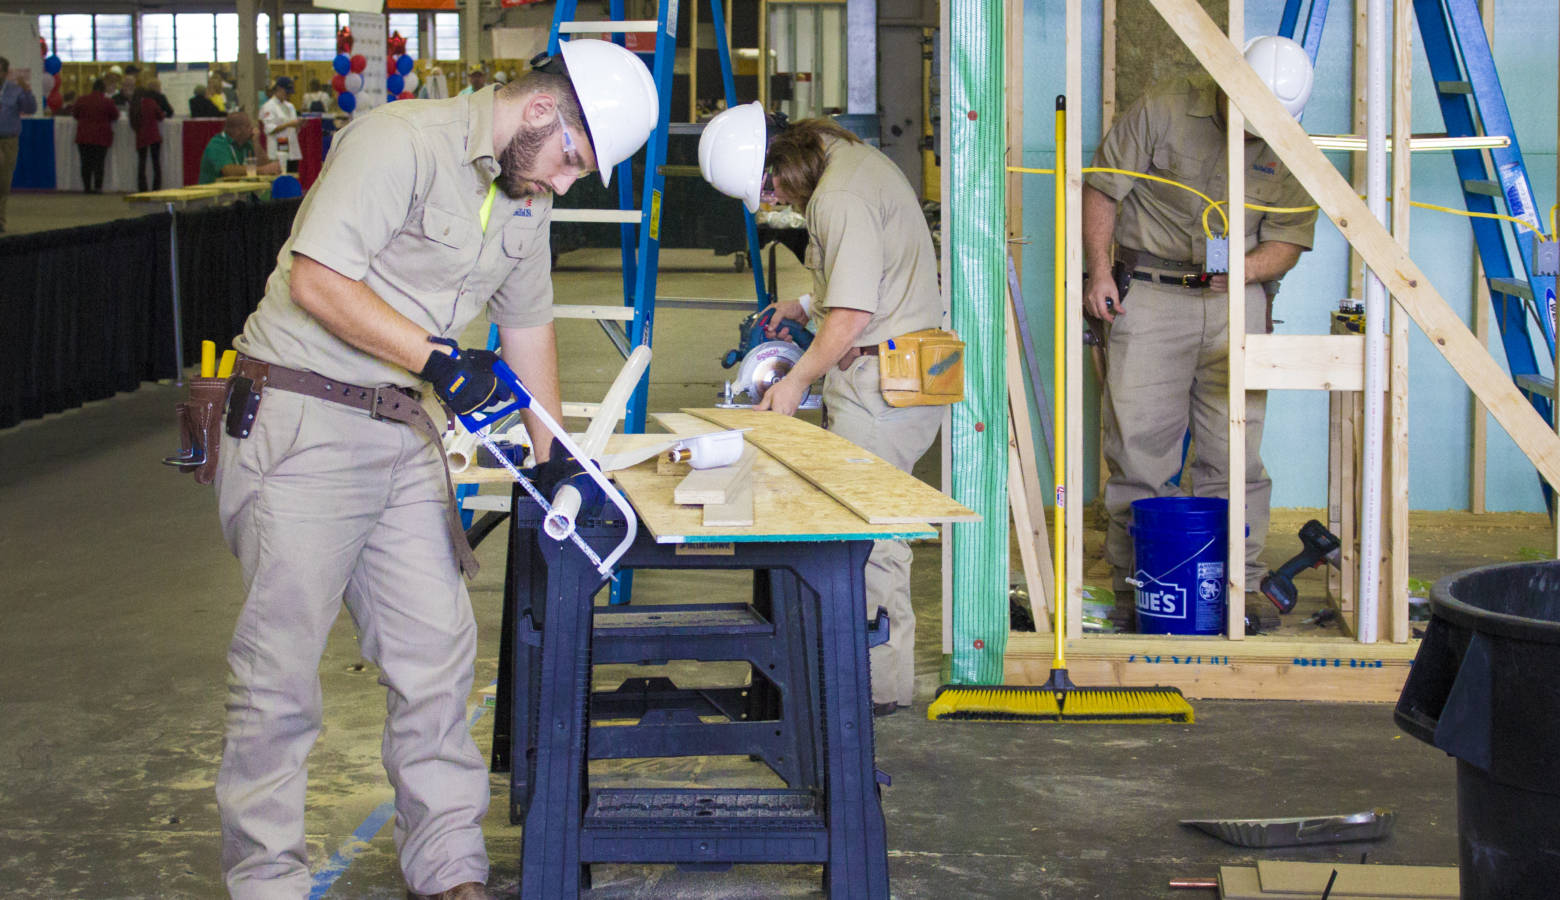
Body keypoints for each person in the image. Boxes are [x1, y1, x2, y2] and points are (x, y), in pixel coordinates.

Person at [211, 39, 656, 899]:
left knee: (436, 656)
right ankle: (267, 881)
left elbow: (528, 336)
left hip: (400, 426)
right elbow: (317, 279)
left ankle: (449, 869)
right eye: (572, 160)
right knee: (281, 671)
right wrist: (443, 361)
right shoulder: (399, 142)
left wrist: (553, 457)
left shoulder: (525, 197)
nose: (566, 183)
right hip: (303, 423)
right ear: (538, 111)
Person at [698, 107, 946, 717]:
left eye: (769, 187)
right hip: (895, 368)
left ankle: (876, 693)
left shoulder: (838, 196)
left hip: (880, 380)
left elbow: (853, 316)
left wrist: (795, 382)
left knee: (870, 538)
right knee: (863, 530)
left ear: (779, 162)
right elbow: (868, 270)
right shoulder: (853, 167)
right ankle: (859, 678)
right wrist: (806, 304)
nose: (774, 200)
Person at [1081, 35, 1319, 630]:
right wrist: (1099, 271)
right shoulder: (1164, 106)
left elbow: (1287, 242)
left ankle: (1233, 588)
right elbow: (1103, 188)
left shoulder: (1290, 143)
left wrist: (1242, 271)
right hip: (1154, 296)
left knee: (1233, 457)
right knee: (1140, 453)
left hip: (1236, 301)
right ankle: (1144, 592)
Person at [0, 56, 38, 234]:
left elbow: (30, 109)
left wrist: (28, 92)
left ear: (6, 73)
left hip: (8, 140)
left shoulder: (15, 90)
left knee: (4, 180)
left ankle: (0, 219)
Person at [197, 111, 280, 184]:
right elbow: (228, 171)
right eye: (248, 126)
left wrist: (256, 143)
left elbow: (265, 165)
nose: (252, 129)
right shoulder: (218, 143)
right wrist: (261, 170)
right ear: (237, 130)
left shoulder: (246, 143)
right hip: (213, 196)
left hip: (238, 194)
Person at [72, 78, 119, 194]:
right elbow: (115, 116)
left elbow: (75, 114)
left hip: (83, 136)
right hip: (101, 136)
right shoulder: (108, 101)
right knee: (99, 163)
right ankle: (98, 187)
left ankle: (87, 187)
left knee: (85, 163)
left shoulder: (82, 100)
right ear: (103, 90)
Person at [131, 76, 174, 192]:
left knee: (142, 163)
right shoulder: (151, 103)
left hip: (141, 136)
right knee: (156, 163)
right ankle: (156, 186)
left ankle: (142, 187)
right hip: (153, 135)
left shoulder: (134, 105)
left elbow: (133, 122)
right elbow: (160, 116)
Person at [258, 76, 301, 173]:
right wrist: (288, 124)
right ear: (279, 89)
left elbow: (294, 128)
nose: (288, 96)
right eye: (287, 93)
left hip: (292, 147)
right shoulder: (268, 107)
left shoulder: (290, 106)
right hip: (279, 145)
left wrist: (298, 125)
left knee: (292, 177)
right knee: (281, 176)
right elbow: (269, 129)